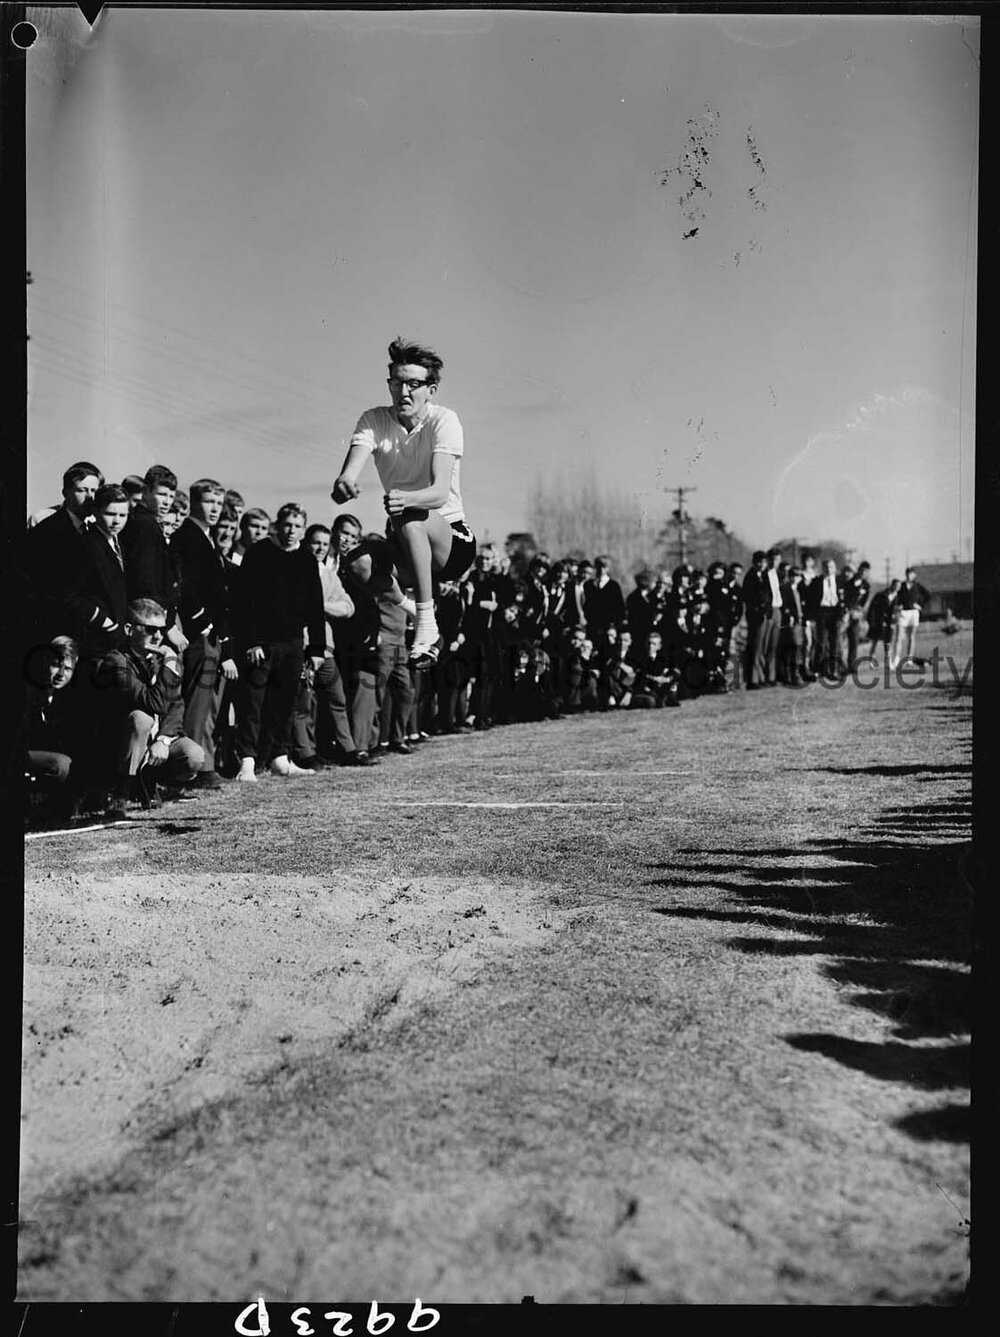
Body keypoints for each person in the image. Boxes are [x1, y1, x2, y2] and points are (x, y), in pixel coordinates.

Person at [331, 337, 477, 666]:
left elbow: (439, 492)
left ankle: (425, 627)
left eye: (413, 384)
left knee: (410, 516)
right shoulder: (374, 419)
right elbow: (350, 471)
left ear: (431, 389)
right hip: (408, 544)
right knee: (358, 564)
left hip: (451, 540)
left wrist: (406, 498)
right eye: (397, 383)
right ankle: (417, 610)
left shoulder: (445, 420)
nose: (404, 392)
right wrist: (344, 483)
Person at [232, 503, 326, 780]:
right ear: (277, 524)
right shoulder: (258, 553)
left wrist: (317, 647)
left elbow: (315, 604)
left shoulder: (307, 559)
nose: (291, 531)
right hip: (261, 644)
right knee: (253, 703)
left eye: (297, 526)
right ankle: (247, 761)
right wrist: (251, 642)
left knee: (285, 703)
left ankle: (279, 757)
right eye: (287, 525)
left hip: (293, 642)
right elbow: (244, 603)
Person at [91, 598, 204, 819]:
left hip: (155, 738)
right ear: (129, 630)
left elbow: (176, 705)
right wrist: (170, 662)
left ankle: (150, 783)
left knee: (194, 756)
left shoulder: (163, 659)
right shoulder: (117, 661)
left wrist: (163, 740)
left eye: (162, 630)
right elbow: (152, 702)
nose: (159, 637)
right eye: (150, 629)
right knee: (141, 719)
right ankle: (121, 791)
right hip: (120, 745)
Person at [170, 478, 239, 789]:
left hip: (212, 633)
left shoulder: (207, 538)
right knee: (198, 701)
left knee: (210, 702)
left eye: (218, 503)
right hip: (199, 633)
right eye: (209, 502)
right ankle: (194, 768)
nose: (214, 509)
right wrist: (202, 623)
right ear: (195, 502)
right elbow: (185, 586)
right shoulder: (187, 536)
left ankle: (206, 762)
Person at [889, 567, 930, 669]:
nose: (909, 575)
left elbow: (928, 596)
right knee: (899, 637)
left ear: (914, 575)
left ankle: (909, 660)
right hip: (902, 613)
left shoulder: (917, 586)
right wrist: (897, 606)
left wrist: (920, 605)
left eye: (911, 573)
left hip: (913, 613)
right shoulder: (901, 586)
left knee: (911, 637)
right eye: (907, 573)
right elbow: (895, 597)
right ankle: (896, 660)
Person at [840, 561, 871, 672]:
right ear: (858, 570)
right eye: (861, 571)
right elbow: (844, 598)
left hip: (856, 616)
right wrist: (847, 611)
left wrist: (858, 611)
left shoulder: (866, 585)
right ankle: (841, 665)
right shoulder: (848, 582)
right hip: (845, 615)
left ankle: (852, 666)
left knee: (854, 641)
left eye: (866, 572)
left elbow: (864, 601)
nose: (863, 573)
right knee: (841, 641)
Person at [866, 579, 899, 660]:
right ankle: (871, 659)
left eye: (899, 586)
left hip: (890, 623)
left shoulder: (898, 597)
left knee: (888, 642)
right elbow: (872, 608)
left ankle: (888, 660)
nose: (897, 588)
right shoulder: (881, 595)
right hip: (879, 621)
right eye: (896, 585)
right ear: (892, 585)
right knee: (875, 641)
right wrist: (872, 621)